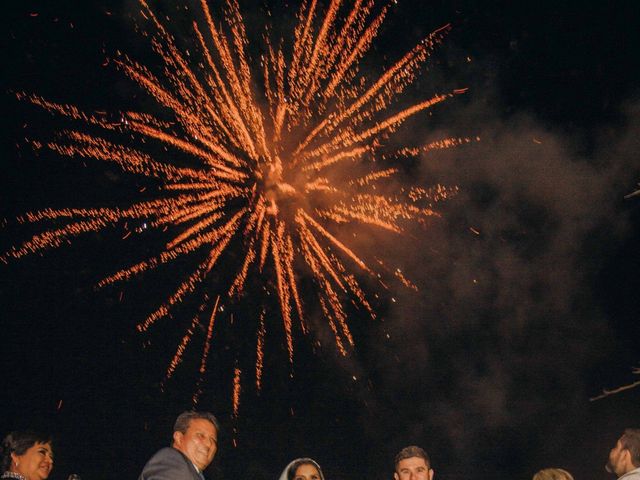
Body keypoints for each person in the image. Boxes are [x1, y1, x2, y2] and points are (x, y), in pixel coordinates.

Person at [138, 411, 219, 480]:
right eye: (201, 435)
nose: (209, 444)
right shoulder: (171, 460)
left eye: (213, 440)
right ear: (179, 438)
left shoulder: (195, 473)